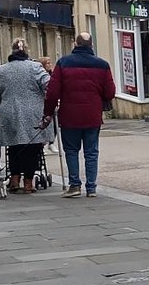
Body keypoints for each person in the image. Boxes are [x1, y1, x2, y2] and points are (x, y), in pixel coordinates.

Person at [44, 32, 115, 197]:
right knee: (91, 152)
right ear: (91, 45)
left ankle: (75, 185)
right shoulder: (102, 65)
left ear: (75, 44)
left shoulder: (63, 63)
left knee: (71, 150)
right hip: (92, 115)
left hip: (69, 115)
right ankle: (91, 188)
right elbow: (110, 92)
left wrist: (47, 113)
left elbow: (52, 93)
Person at [0, 45, 51, 193]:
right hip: (33, 112)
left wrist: (4, 102)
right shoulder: (35, 67)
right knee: (33, 147)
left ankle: (14, 179)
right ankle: (29, 182)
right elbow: (48, 84)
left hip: (9, 111)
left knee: (13, 146)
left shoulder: (1, 70)